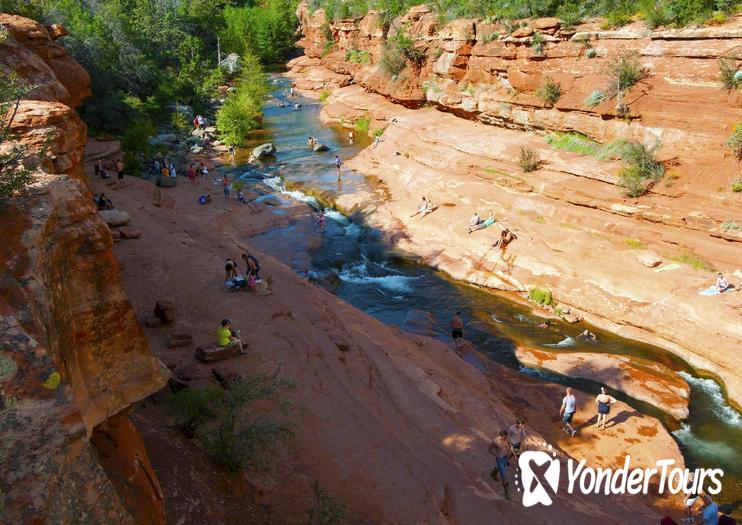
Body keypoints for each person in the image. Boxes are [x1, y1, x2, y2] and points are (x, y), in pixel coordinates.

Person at [488, 430, 511, 495]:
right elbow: (489, 449)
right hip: (500, 459)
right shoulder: (495, 441)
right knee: (503, 475)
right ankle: (506, 492)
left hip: (505, 457)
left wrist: (509, 453)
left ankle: (493, 473)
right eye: (504, 437)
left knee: (501, 468)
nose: (505, 438)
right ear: (501, 435)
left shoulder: (506, 439)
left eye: (506, 437)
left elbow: (509, 445)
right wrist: (496, 455)